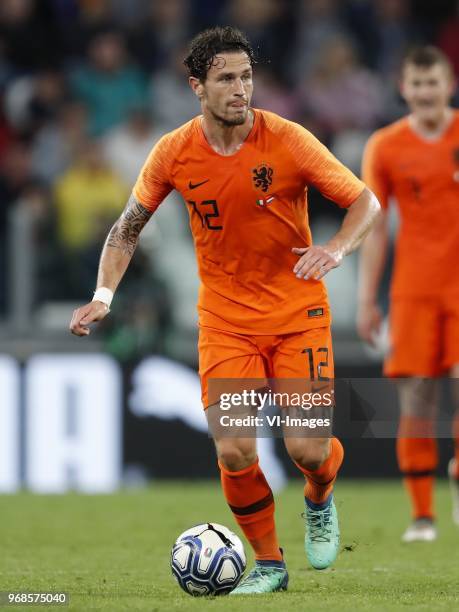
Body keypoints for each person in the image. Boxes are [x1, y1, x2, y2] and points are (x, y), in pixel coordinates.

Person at [70, 26, 379, 593]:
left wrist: (334, 248)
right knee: (236, 451)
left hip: (297, 314)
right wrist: (103, 296)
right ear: (197, 86)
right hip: (227, 323)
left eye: (247, 76)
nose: (241, 89)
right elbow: (126, 229)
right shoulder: (173, 151)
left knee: (309, 450)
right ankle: (268, 565)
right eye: (226, 78)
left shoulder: (287, 138)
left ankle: (319, 495)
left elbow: (365, 200)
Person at [358, 46, 459, 543]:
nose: (424, 92)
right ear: (404, 89)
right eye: (416, 84)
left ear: (449, 83)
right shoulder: (385, 146)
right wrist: (365, 299)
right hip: (413, 290)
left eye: (432, 82)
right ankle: (423, 516)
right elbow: (374, 228)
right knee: (416, 402)